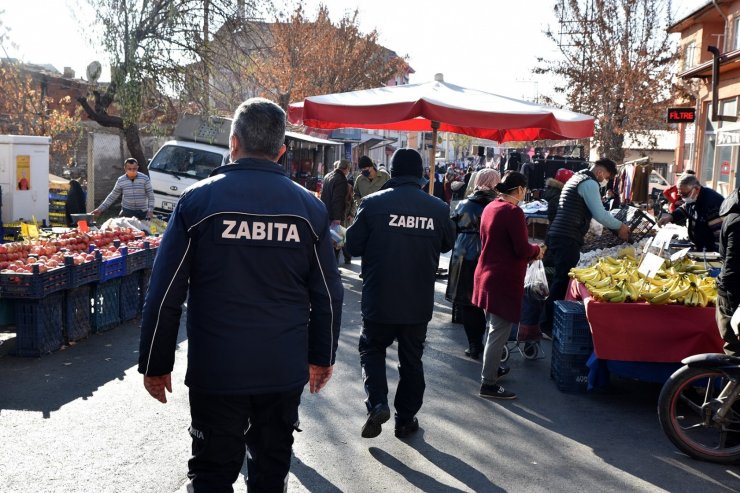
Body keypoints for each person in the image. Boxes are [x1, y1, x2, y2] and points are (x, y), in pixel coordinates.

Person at [138, 97, 343, 493]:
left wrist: (154, 361)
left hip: (217, 370)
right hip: (281, 371)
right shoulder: (309, 209)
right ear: (281, 151)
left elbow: (164, 293)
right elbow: (329, 295)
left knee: (212, 474)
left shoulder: (198, 202)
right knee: (270, 473)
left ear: (233, 143)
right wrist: (322, 357)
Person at [345, 148, 455, 439]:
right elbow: (447, 244)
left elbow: (352, 246)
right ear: (420, 175)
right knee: (411, 360)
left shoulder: (372, 203)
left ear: (391, 173)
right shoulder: (438, 208)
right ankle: (405, 419)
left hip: (379, 296)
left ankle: (378, 402)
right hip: (417, 300)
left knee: (372, 349)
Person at [472, 172, 544, 400]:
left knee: (492, 327)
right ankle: (489, 383)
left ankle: (492, 368)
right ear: (520, 190)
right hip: (501, 279)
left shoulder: (491, 207)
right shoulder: (513, 212)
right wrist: (537, 250)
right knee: (498, 332)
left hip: (485, 274)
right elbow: (522, 249)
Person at [542, 159, 629, 335]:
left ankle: (548, 322)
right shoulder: (589, 183)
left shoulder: (577, 177)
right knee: (561, 281)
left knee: (561, 279)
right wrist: (620, 226)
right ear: (601, 173)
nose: (606, 181)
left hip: (561, 234)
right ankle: (546, 325)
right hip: (567, 236)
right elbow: (600, 214)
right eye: (607, 177)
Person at [446, 168, 500, 359]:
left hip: (463, 255)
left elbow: (451, 228)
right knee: (491, 303)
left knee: (469, 303)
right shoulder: (498, 205)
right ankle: (492, 347)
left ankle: (474, 345)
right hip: (488, 254)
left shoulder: (463, 204)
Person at [657, 173, 724, 252]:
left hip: (710, 249)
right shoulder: (693, 197)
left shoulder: (712, 203)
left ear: (696, 189)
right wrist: (670, 217)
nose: (682, 197)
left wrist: (714, 255)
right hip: (699, 245)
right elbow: (685, 208)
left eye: (684, 194)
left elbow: (719, 235)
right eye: (680, 194)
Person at [717, 188, 740, 356]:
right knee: (735, 353)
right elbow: (732, 271)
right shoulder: (738, 222)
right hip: (733, 295)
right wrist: (736, 308)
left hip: (730, 291)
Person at [320, 159, 351, 261]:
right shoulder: (341, 180)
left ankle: (329, 264)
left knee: (327, 241)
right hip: (334, 216)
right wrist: (337, 218)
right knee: (336, 242)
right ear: (346, 169)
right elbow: (337, 200)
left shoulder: (327, 176)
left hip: (325, 213)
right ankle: (333, 265)